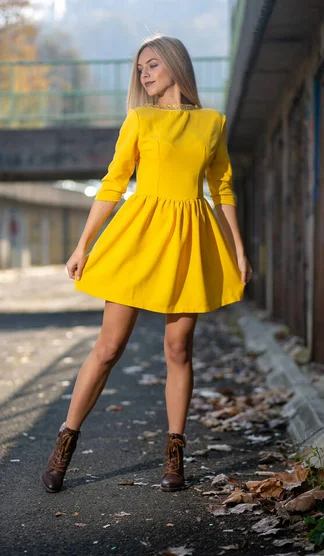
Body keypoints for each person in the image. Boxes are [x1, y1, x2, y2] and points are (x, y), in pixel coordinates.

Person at [41, 34, 253, 494]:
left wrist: (237, 247)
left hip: (189, 240)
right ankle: (66, 440)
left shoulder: (212, 123)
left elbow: (223, 188)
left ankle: (175, 453)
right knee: (109, 347)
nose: (145, 74)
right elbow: (114, 184)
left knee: (179, 349)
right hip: (140, 236)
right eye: (140, 69)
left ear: (176, 65)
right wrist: (83, 245)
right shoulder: (139, 119)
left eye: (153, 64)